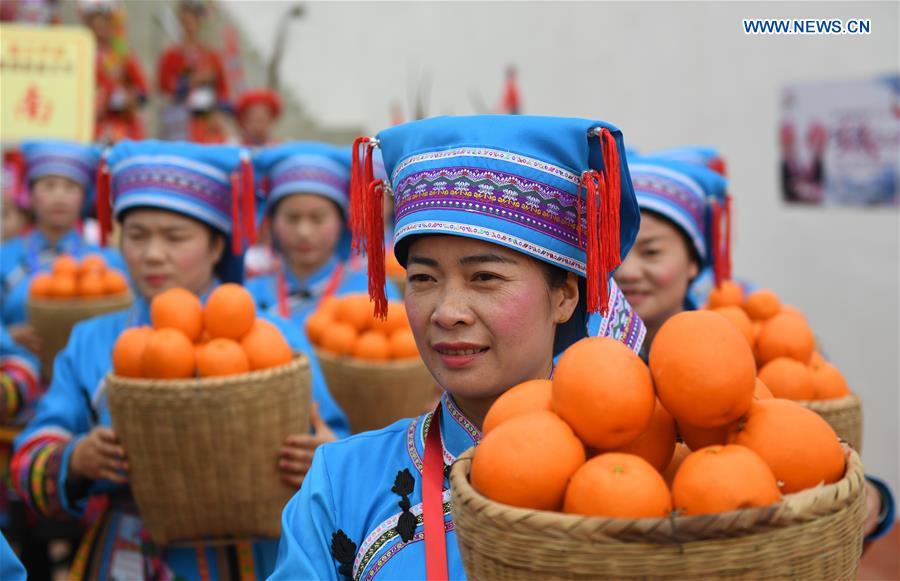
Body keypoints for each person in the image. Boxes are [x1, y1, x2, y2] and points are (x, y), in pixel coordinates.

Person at [269, 115, 644, 579]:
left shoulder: (638, 478)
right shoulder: (341, 484)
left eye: (484, 278)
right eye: (424, 278)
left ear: (565, 295)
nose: (447, 312)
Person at [11, 140, 349, 580]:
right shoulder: (92, 341)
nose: (153, 254)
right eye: (136, 236)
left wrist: (322, 456)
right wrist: (76, 460)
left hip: (254, 559)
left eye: (174, 237)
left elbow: (336, 439)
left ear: (215, 247)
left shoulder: (275, 337)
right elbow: (32, 455)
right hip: (127, 555)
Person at [610, 154, 895, 543]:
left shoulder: (743, 352)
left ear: (695, 262)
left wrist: (873, 497)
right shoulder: (591, 357)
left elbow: (806, 455)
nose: (627, 270)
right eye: (616, 251)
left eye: (652, 251)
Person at [247, 142, 397, 330]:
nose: (304, 232)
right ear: (272, 220)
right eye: (292, 218)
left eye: (317, 219)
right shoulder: (248, 296)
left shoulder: (374, 293)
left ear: (342, 221)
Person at [0, 141, 124, 357]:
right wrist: (7, 336)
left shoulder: (107, 261)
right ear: (30, 194)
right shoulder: (5, 257)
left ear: (84, 196)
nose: (59, 196)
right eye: (49, 185)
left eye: (70, 187)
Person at [157, 0, 230, 143]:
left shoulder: (212, 56)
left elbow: (223, 91)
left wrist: (218, 113)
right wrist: (192, 81)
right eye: (185, 18)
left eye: (193, 17)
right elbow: (164, 89)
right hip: (179, 121)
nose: (189, 23)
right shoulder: (171, 56)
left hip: (207, 122)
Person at [80, 0, 149, 142]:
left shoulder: (124, 56)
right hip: (90, 129)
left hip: (123, 128)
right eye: (95, 20)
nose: (100, 26)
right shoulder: (80, 56)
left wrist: (128, 98)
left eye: (105, 20)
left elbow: (144, 93)